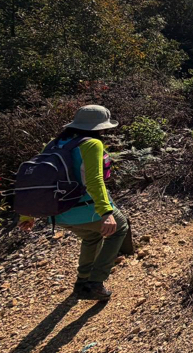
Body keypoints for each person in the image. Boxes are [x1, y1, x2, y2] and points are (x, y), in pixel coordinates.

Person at [18, 105, 128, 301]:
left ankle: (81, 283)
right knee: (119, 228)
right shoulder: (92, 144)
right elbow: (95, 181)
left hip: (57, 213)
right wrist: (106, 212)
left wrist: (27, 213)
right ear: (99, 127)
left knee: (92, 237)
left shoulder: (53, 144)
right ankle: (95, 282)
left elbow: (35, 180)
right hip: (86, 210)